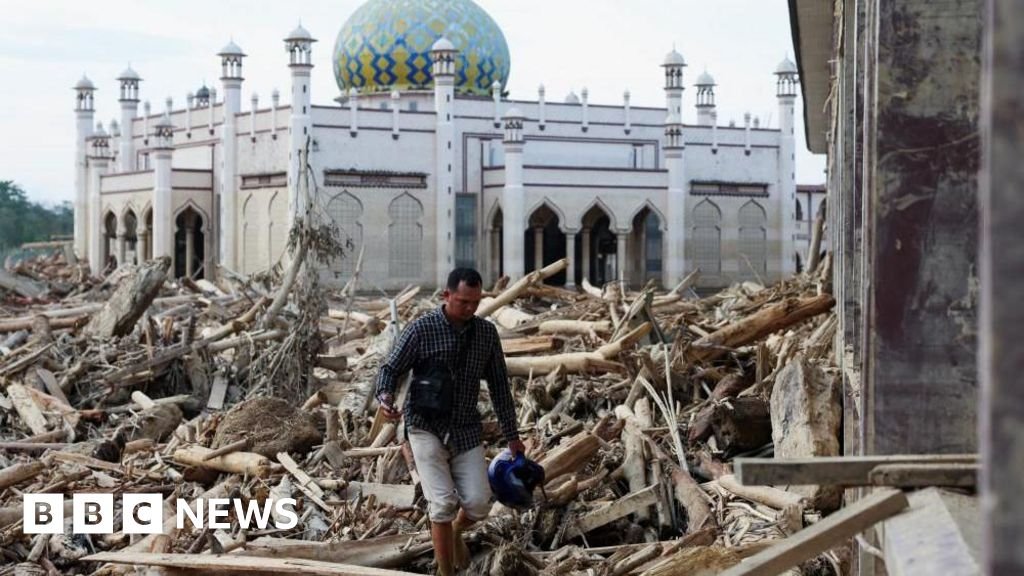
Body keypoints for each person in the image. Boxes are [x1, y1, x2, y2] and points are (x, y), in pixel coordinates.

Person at [376, 268, 524, 575]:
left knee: (479, 503)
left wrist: (512, 436)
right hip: (425, 427)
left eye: (476, 302)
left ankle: (457, 530)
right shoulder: (422, 329)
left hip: (466, 429)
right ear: (447, 295)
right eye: (463, 301)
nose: (470, 308)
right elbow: (390, 369)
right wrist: (385, 397)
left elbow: (499, 386)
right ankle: (445, 571)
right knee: (442, 503)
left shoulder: (486, 334)